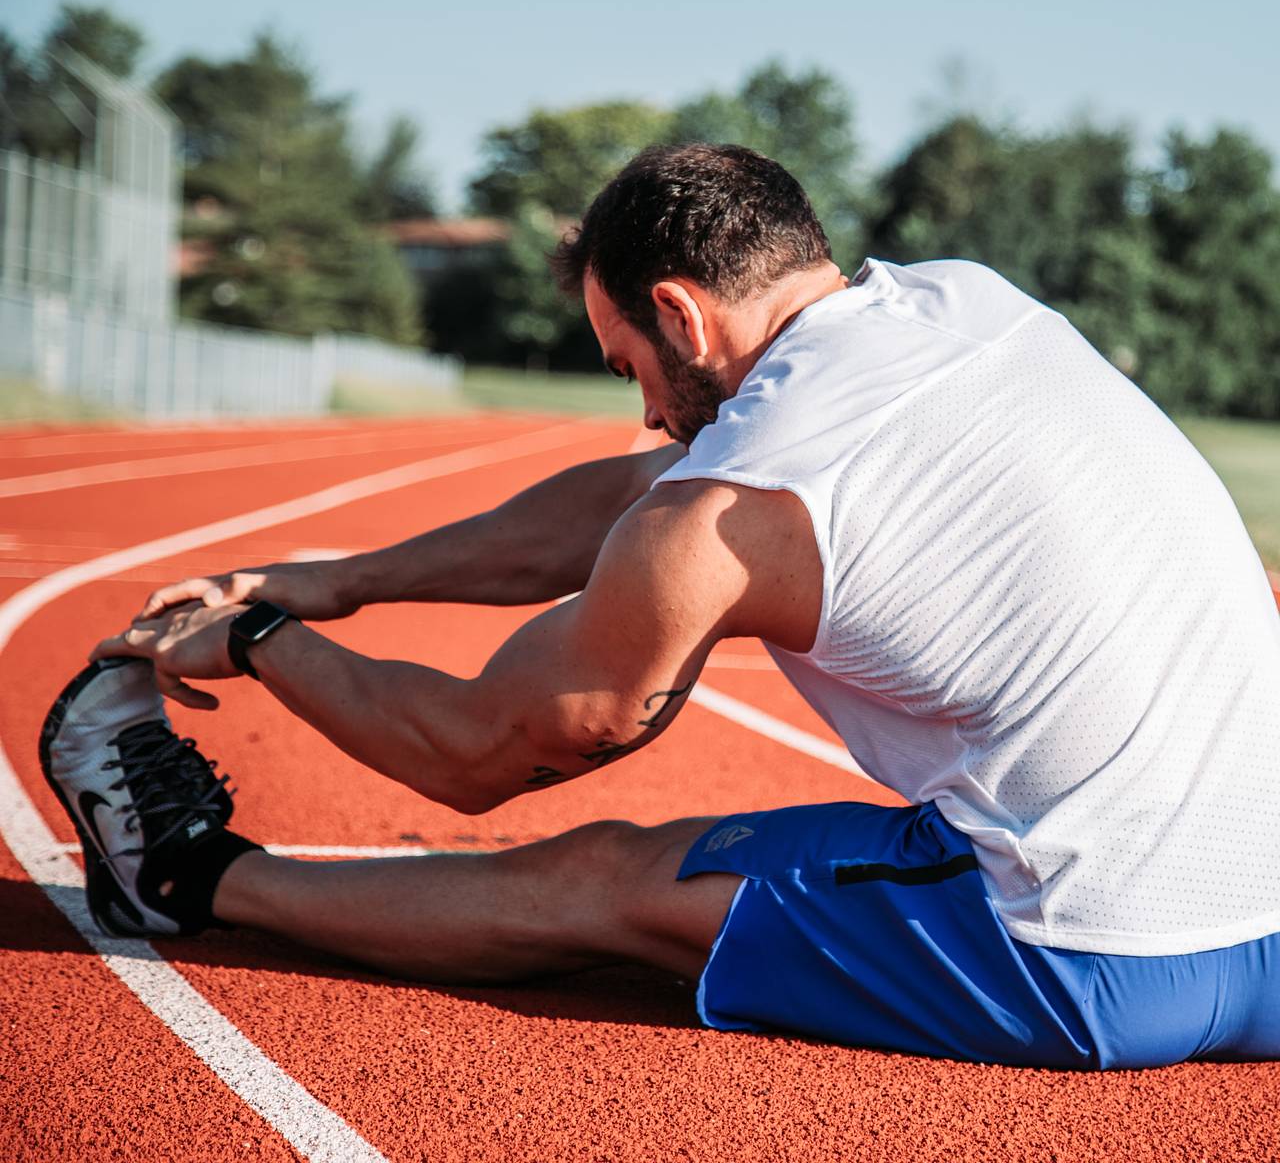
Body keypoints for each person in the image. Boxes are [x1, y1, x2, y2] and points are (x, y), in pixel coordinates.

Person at [42, 144, 1280, 1070]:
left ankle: (190, 880)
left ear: (680, 312)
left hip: (1091, 958)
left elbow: (478, 752)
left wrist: (262, 636)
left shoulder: (733, 512)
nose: (641, 407)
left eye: (628, 362)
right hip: (1269, 930)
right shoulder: (957, 302)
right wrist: (341, 576)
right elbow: (634, 490)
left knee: (601, 875)